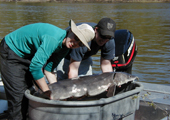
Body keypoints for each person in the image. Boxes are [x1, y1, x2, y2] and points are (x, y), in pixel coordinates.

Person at [0, 19, 95, 120]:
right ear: (71, 31)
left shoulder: (65, 48)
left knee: (28, 92)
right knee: (18, 97)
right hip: (11, 50)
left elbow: (48, 70)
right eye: (76, 38)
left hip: (28, 55)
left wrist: (58, 92)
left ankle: (15, 115)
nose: (75, 43)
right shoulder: (53, 38)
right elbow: (35, 68)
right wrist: (47, 92)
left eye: (80, 43)